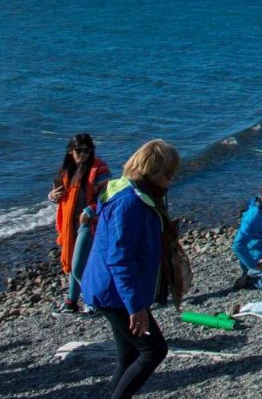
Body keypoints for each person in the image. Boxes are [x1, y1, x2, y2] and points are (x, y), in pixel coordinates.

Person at [80, 139, 180, 399]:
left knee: (130, 355)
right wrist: (135, 307)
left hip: (112, 287)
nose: (171, 180)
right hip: (115, 292)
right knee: (154, 351)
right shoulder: (130, 203)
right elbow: (119, 259)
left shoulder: (131, 192)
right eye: (169, 174)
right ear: (153, 173)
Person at [48, 133, 110, 315]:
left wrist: (89, 211)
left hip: (89, 224)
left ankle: (95, 301)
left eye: (87, 150)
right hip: (69, 225)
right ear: (70, 151)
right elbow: (57, 195)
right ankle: (71, 302)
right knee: (74, 262)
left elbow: (107, 196)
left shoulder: (99, 168)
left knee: (77, 266)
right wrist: (52, 196)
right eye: (79, 150)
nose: (83, 154)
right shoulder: (66, 171)